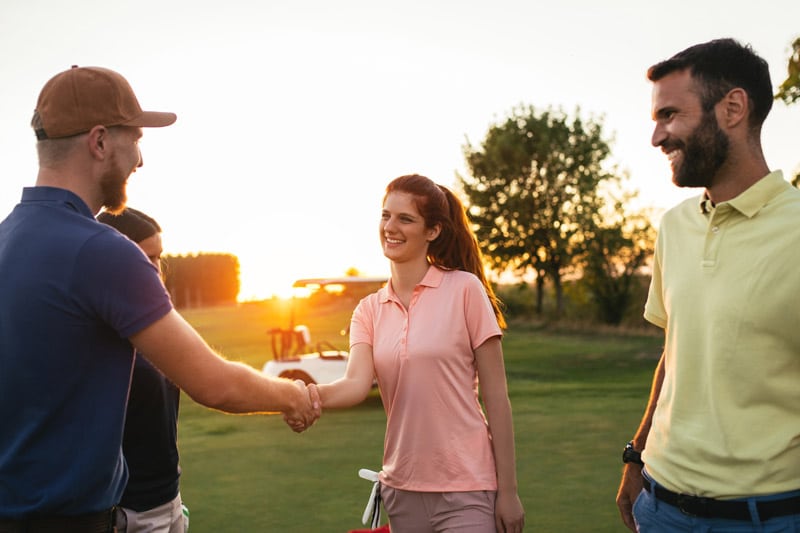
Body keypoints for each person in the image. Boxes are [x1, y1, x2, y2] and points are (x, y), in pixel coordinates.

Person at [0, 65, 319, 531]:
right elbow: (216, 385)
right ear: (100, 141)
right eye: (137, 140)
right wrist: (291, 394)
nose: (140, 161)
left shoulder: (7, 238)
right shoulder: (103, 251)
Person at [615, 38, 800, 532]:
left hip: (767, 519)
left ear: (733, 108)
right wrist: (637, 455)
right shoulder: (674, 226)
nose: (657, 137)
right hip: (659, 507)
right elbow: (675, 353)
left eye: (670, 115)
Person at [306, 174, 525, 533]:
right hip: (401, 491)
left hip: (467, 488)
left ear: (433, 231)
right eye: (386, 215)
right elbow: (354, 385)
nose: (391, 227)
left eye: (405, 219)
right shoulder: (368, 310)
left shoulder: (466, 291)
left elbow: (497, 399)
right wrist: (305, 396)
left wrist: (509, 492)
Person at [97, 207, 187, 533]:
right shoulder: (99, 336)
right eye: (146, 259)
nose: (155, 270)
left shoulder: (157, 330)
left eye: (158, 259)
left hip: (169, 502)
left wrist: (173, 501)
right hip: (131, 513)